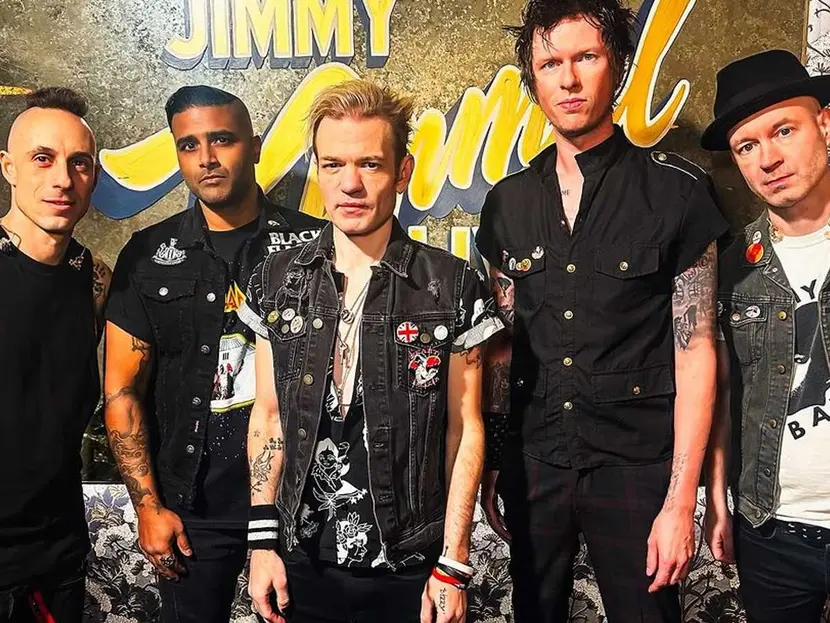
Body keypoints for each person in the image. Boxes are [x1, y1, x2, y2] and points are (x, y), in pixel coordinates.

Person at [475, 1, 729, 621]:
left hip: (638, 466)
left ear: (616, 65)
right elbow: (503, 349)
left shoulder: (676, 191)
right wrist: (496, 461)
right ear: (532, 79)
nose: (568, 79)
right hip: (536, 462)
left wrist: (681, 501)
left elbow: (697, 352)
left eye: (585, 57)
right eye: (550, 64)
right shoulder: (507, 204)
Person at [243, 79, 503, 623]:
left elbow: (464, 428)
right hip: (301, 558)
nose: (351, 184)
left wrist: (454, 562)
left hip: (410, 562)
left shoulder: (450, 286)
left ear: (402, 172)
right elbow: (268, 418)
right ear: (317, 170)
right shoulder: (276, 281)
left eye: (370, 164)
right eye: (333, 165)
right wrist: (262, 543)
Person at [104, 86, 322, 623]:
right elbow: (122, 391)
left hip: (300, 502)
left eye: (222, 139)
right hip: (191, 509)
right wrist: (148, 506)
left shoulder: (315, 246)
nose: (206, 158)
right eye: (189, 145)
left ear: (254, 146)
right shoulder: (146, 255)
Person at [702, 49, 830, 623]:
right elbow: (723, 395)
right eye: (746, 146)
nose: (768, 159)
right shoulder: (732, 268)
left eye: (784, 130)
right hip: (771, 528)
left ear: (825, 124)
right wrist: (717, 496)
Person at [0, 87, 111, 622]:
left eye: (79, 163)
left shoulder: (94, 279)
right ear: (9, 168)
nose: (63, 179)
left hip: (59, 558)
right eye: (42, 158)